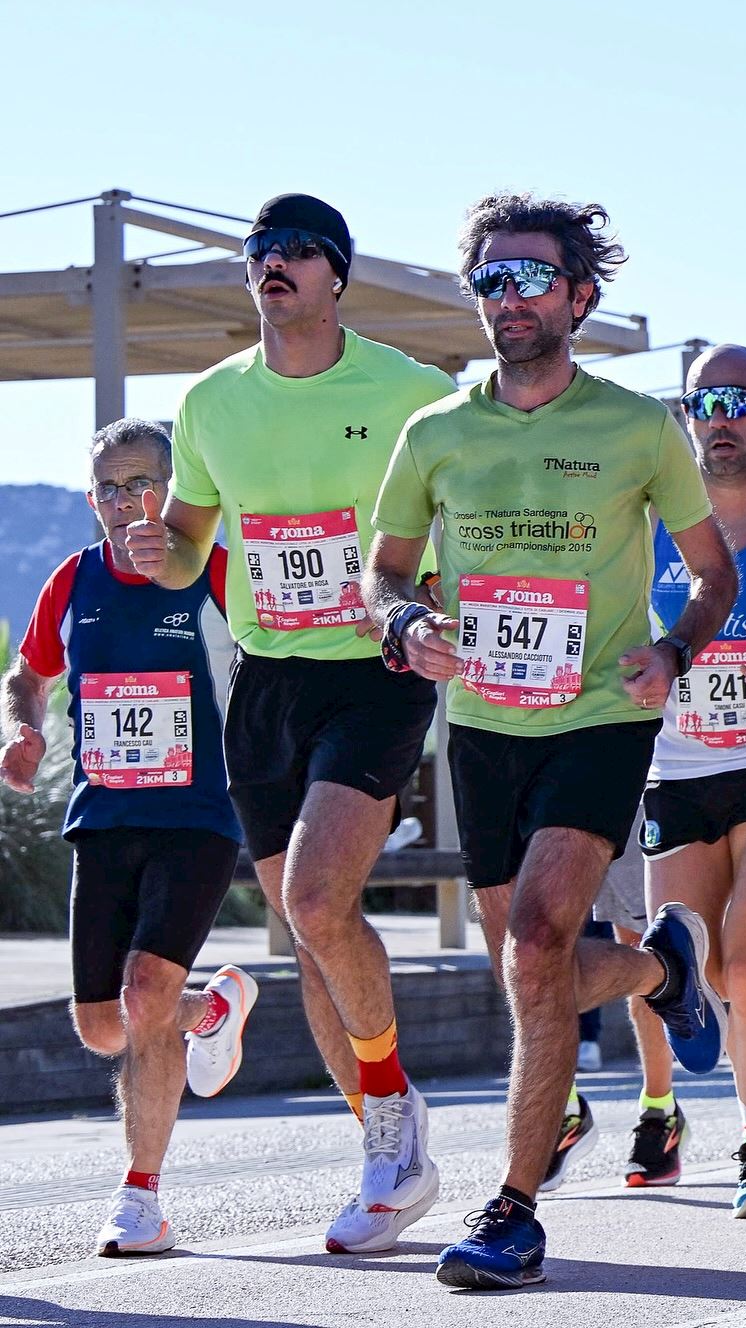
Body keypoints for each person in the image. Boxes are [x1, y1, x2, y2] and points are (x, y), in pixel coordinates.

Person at [362, 192, 737, 1291]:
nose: (510, 298)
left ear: (580, 296)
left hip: (602, 715)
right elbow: (385, 570)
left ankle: (513, 1214)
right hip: (482, 724)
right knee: (531, 973)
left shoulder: (635, 426)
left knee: (533, 947)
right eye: (492, 279)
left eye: (532, 278)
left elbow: (712, 572)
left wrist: (675, 653)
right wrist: (403, 621)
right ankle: (661, 965)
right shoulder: (435, 431)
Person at [124, 194, 456, 1255]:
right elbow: (188, 537)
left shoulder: (412, 391)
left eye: (301, 250)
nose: (277, 263)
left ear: (337, 278)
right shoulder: (213, 402)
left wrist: (437, 612)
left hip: (375, 666)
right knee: (311, 933)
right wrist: (158, 557)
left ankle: (396, 1125)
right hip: (264, 680)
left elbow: (467, 519)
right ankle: (384, 1152)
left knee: (319, 896)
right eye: (262, 250)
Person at [0, 419, 253, 1257]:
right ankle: (212, 1009)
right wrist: (21, 731)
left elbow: (282, 654)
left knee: (143, 996)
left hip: (198, 817)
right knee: (103, 1025)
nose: (124, 502)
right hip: (103, 819)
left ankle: (140, 1197)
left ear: (174, 491)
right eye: (108, 487)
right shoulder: (72, 581)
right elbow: (29, 674)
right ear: (90, 499)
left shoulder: (215, 572)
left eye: (142, 483)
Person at [638, 344, 746, 1218]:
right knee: (689, 964)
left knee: (745, 964)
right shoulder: (655, 515)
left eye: (742, 400)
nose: (722, 416)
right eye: (706, 400)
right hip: (676, 764)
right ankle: (671, 1096)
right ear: (687, 412)